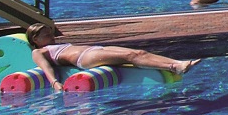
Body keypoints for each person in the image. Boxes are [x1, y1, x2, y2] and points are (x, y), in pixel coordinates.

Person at [28, 23, 197, 77]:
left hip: (94, 50)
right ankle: (174, 67)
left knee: (138, 53)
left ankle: (176, 64)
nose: (52, 36)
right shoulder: (37, 52)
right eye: (47, 35)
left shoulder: (51, 46)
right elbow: (46, 67)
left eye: (51, 33)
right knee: (131, 55)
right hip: (85, 57)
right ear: (35, 39)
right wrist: (55, 83)